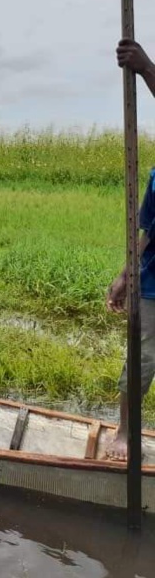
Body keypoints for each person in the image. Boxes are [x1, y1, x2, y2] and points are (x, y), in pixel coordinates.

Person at [105, 39, 155, 460]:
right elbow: (147, 230)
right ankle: (124, 432)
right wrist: (126, 274)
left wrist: (146, 70)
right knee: (141, 361)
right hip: (154, 285)